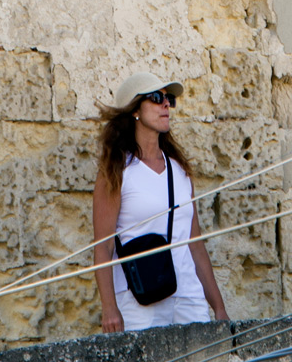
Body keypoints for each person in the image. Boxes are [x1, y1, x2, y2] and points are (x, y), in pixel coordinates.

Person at [92, 71, 230, 333]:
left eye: (169, 100)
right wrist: (109, 308)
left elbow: (195, 243)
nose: (166, 104)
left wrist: (218, 307)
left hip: (189, 295)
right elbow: (102, 247)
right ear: (135, 111)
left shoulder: (179, 170)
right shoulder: (118, 171)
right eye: (157, 98)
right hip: (139, 299)